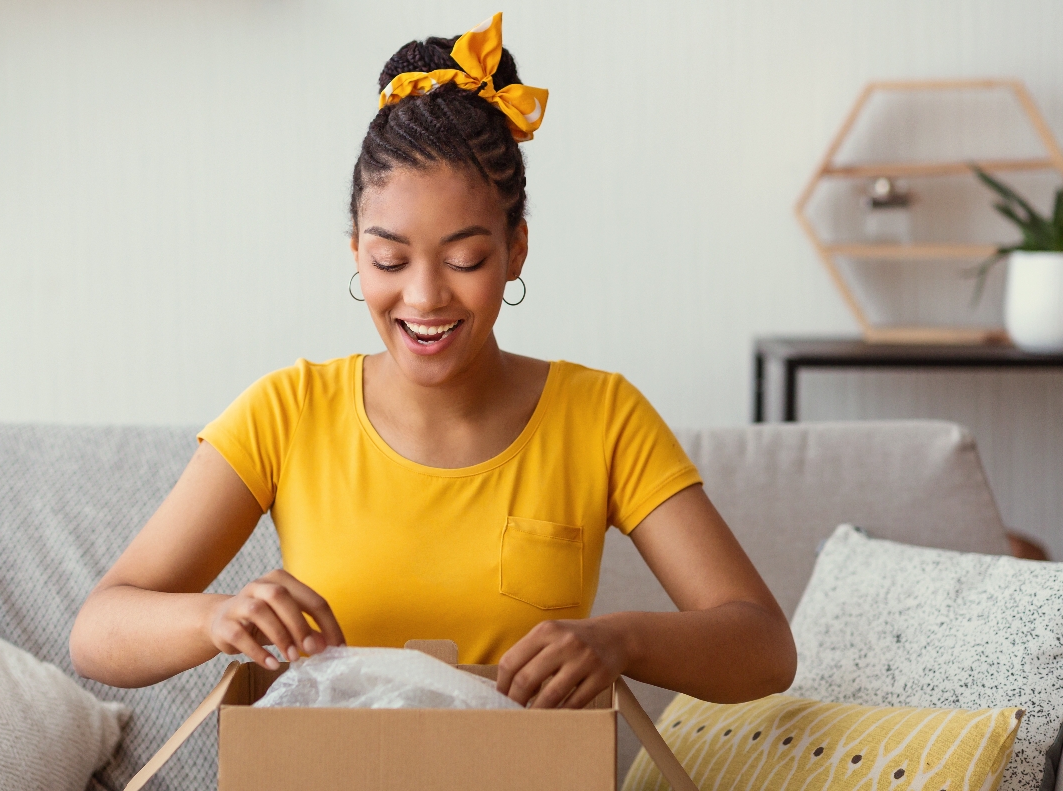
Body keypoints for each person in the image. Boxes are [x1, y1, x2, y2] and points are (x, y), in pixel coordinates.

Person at [70, 13, 795, 710]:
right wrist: (216, 618)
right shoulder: (286, 411)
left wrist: (621, 639)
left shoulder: (602, 416)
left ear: (515, 252)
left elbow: (765, 646)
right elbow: (98, 630)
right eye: (390, 258)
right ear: (355, 251)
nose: (423, 296)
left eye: (465, 258)